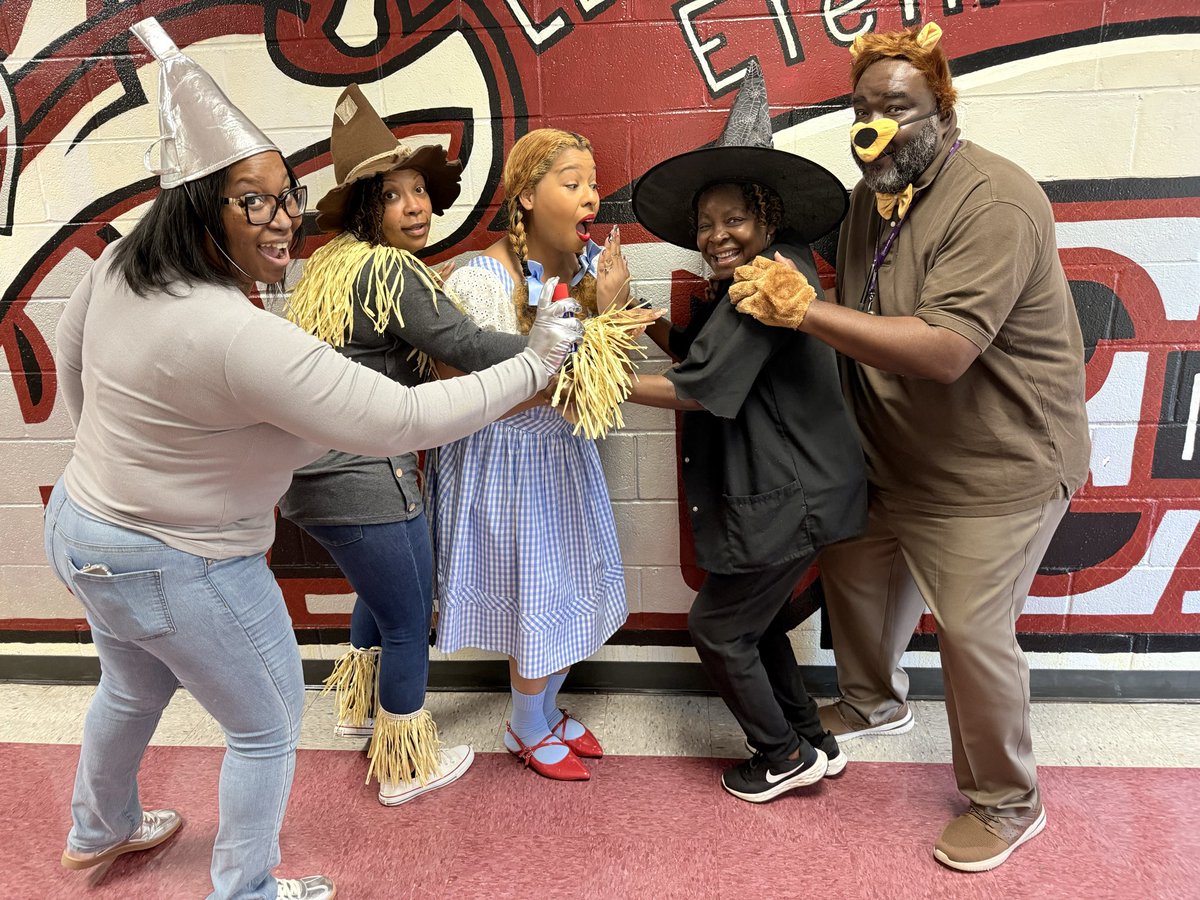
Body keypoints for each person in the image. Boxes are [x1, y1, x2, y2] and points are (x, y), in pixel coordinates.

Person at [45, 20, 580, 900]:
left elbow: (72, 371)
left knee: (130, 690)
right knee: (264, 727)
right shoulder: (235, 332)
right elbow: (401, 416)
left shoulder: (117, 266)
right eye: (253, 200)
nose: (282, 216)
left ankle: (96, 830)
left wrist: (117, 465)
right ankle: (247, 889)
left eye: (286, 195)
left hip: (86, 529)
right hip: (187, 558)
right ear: (195, 206)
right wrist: (535, 362)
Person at [729, 22, 1090, 870]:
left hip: (996, 469)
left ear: (943, 109)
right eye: (863, 108)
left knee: (970, 631)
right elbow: (863, 314)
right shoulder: (875, 198)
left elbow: (943, 349)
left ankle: (1007, 801)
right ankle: (874, 700)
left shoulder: (993, 200)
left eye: (897, 106)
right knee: (852, 566)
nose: (877, 125)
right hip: (894, 456)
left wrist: (801, 308)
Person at [278, 84, 538, 807]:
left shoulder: (332, 267)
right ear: (367, 209)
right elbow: (464, 344)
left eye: (420, 190)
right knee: (405, 615)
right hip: (366, 476)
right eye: (394, 196)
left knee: (376, 591)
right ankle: (404, 764)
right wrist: (550, 349)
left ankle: (360, 711)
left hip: (312, 476)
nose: (417, 206)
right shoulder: (391, 270)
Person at [627, 61, 867, 803]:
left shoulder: (767, 284)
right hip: (789, 489)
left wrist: (584, 378)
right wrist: (651, 325)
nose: (716, 235)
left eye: (734, 218)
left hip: (787, 494)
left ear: (766, 217)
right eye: (705, 223)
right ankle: (811, 741)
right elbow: (716, 360)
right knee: (754, 625)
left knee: (718, 628)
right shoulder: (769, 274)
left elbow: (702, 389)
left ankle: (780, 756)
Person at [429, 128, 651, 781]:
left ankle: (546, 709)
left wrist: (609, 309)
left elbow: (597, 385)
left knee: (568, 591)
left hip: (558, 460)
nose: (591, 196)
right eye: (572, 181)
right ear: (526, 196)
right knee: (537, 595)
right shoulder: (481, 282)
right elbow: (461, 395)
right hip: (506, 469)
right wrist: (564, 371)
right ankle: (524, 725)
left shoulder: (575, 275)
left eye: (592, 183)